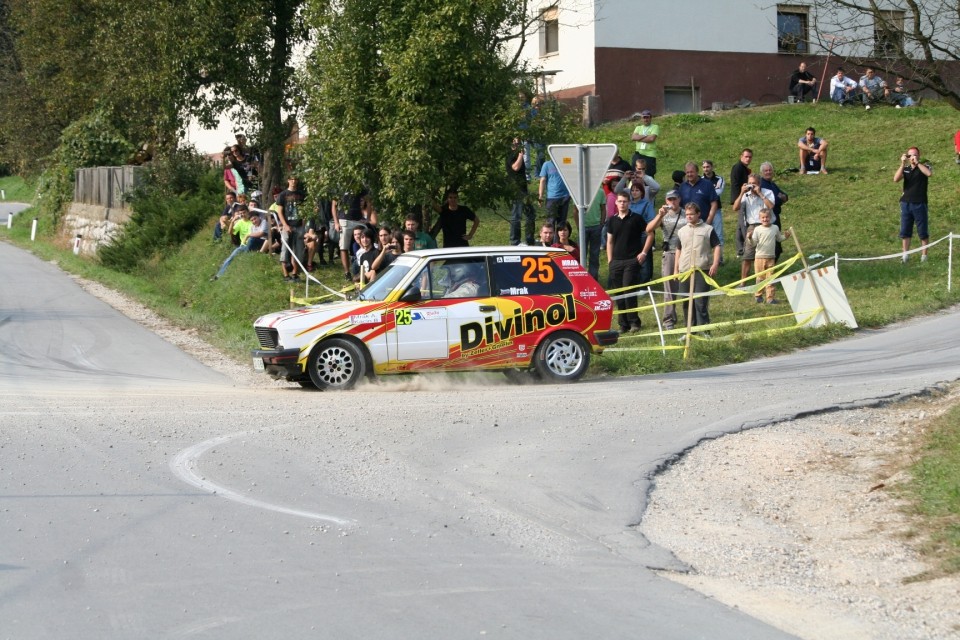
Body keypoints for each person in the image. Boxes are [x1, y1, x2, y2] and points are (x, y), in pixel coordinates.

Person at [606, 192, 654, 333]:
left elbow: (650, 234)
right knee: (619, 294)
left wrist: (644, 252)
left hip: (632, 261)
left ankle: (634, 322)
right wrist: (610, 261)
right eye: (620, 201)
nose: (622, 204)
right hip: (616, 262)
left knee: (629, 290)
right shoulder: (611, 220)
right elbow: (609, 242)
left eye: (625, 201)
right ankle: (623, 324)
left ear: (629, 203)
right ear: (616, 203)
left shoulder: (637, 219)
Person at [674, 202, 721, 331]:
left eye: (691, 214)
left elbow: (717, 246)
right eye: (687, 214)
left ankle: (705, 330)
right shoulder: (682, 231)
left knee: (700, 302)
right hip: (685, 270)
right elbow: (678, 249)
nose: (689, 216)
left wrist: (715, 263)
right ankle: (689, 330)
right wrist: (676, 269)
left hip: (702, 269)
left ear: (698, 214)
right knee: (686, 302)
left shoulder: (708, 229)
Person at [645, 190, 686, 330]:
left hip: (686, 253)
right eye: (669, 200)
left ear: (679, 199)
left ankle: (690, 317)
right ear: (666, 201)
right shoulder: (663, 215)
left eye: (674, 199)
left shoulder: (687, 213)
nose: (672, 202)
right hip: (669, 253)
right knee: (669, 288)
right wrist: (659, 215)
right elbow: (649, 229)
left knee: (688, 286)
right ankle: (669, 319)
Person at [732, 174, 774, 280]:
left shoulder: (767, 192)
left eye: (754, 183)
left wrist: (759, 193)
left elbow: (771, 206)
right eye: (749, 183)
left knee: (764, 255)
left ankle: (765, 279)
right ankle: (743, 282)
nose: (751, 186)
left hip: (766, 226)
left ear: (759, 184)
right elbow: (735, 208)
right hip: (751, 227)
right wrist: (742, 192)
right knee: (747, 256)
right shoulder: (746, 195)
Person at [894, 146, 932, 262]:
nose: (912, 157)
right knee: (905, 230)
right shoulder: (905, 169)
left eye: (915, 155)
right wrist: (902, 164)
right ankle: (905, 255)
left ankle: (924, 255)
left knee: (922, 230)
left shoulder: (925, 166)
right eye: (910, 155)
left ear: (919, 155)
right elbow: (896, 179)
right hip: (906, 203)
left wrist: (917, 163)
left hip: (919, 202)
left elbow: (929, 174)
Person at [746, 208, 791, 304]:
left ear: (770, 217)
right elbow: (753, 244)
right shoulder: (757, 229)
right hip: (759, 258)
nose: (765, 219)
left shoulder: (775, 228)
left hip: (771, 257)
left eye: (767, 217)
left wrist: (786, 237)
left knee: (770, 278)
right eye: (763, 218)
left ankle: (770, 298)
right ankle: (758, 295)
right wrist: (749, 238)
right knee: (760, 278)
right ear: (759, 218)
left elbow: (779, 238)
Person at [211, 207, 269, 280]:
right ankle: (218, 275)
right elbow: (230, 232)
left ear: (248, 212)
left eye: (244, 212)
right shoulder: (240, 222)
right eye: (241, 213)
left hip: (254, 242)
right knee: (230, 257)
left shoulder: (253, 220)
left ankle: (243, 262)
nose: (242, 215)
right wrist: (232, 222)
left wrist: (247, 236)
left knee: (251, 240)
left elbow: (261, 233)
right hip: (243, 245)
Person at [333, 187, 376, 280]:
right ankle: (347, 272)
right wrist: (336, 222)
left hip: (358, 219)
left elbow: (369, 201)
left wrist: (367, 218)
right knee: (343, 246)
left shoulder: (359, 185)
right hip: (344, 219)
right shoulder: (339, 186)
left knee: (367, 242)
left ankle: (368, 268)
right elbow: (334, 206)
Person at [275, 176, 308, 281]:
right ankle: (285, 274)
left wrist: (304, 221)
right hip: (287, 225)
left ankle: (295, 273)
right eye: (292, 179)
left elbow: (306, 208)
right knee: (285, 250)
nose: (294, 181)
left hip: (299, 225)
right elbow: (279, 211)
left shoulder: (302, 194)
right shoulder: (282, 195)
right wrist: (284, 225)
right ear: (288, 180)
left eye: (296, 179)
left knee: (298, 250)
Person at [759, 161, 789, 260]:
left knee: (777, 244)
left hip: (776, 216)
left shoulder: (772, 184)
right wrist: (780, 197)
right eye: (765, 171)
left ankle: (771, 269)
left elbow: (785, 196)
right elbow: (775, 201)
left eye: (770, 170)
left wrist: (781, 197)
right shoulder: (763, 185)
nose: (768, 172)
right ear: (762, 173)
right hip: (769, 218)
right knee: (773, 246)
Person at [508, 138, 535, 246]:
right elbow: (515, 167)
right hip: (516, 190)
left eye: (520, 143)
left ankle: (530, 240)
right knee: (516, 216)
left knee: (530, 214)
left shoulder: (516, 154)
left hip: (523, 189)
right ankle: (515, 241)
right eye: (517, 143)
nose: (519, 145)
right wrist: (520, 155)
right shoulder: (510, 155)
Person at [730, 148, 753, 260]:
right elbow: (736, 185)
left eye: (750, 157)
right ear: (741, 156)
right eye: (746, 156)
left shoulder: (744, 168)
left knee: (740, 226)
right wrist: (736, 200)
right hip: (740, 198)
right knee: (743, 225)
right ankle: (744, 249)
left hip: (741, 198)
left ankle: (740, 250)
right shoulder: (738, 167)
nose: (748, 159)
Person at [701, 160, 725, 263]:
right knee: (703, 234)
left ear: (712, 167)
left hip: (717, 211)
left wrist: (705, 192)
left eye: (708, 167)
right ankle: (705, 258)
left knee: (718, 234)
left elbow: (718, 192)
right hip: (704, 210)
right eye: (704, 167)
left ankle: (719, 258)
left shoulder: (719, 179)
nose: (706, 169)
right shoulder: (700, 180)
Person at [538, 158, 571, 227]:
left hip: (565, 197)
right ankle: (550, 237)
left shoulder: (566, 161)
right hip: (552, 198)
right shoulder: (547, 164)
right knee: (550, 222)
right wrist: (540, 196)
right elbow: (542, 180)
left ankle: (558, 238)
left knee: (562, 222)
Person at [631, 109, 659, 177]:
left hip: (649, 154)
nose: (646, 119)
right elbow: (633, 137)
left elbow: (651, 139)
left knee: (649, 173)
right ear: (642, 118)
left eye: (647, 117)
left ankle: (650, 187)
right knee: (635, 172)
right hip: (638, 153)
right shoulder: (638, 128)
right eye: (644, 117)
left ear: (650, 118)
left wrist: (639, 138)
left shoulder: (655, 127)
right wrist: (646, 136)